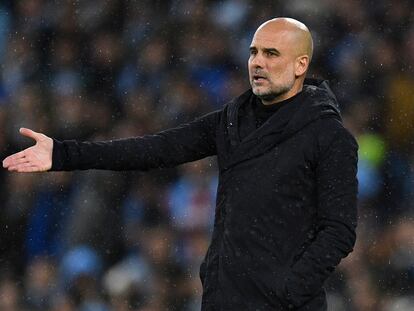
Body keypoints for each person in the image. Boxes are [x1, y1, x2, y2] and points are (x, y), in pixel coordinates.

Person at [3, 17, 358, 310]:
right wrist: (63, 154)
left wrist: (289, 290)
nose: (257, 63)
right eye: (253, 52)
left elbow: (338, 230)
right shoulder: (232, 120)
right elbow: (156, 149)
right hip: (224, 300)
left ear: (301, 65)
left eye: (271, 53)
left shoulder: (328, 136)